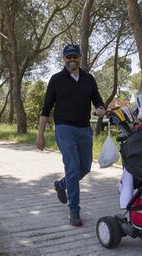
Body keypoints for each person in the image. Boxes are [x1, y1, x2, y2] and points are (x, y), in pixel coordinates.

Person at [36, 44, 106, 227]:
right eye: (68, 56)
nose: (72, 59)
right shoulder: (56, 80)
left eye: (75, 56)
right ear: (64, 59)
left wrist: (100, 109)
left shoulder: (89, 79)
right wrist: (40, 135)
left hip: (84, 129)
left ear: (80, 57)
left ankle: (61, 185)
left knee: (85, 167)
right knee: (73, 168)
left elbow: (98, 101)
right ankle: (74, 211)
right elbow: (45, 110)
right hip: (64, 128)